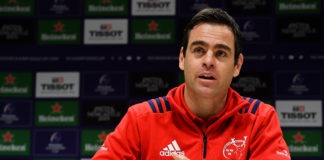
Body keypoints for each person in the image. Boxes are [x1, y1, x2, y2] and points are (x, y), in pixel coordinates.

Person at [91, 8, 291, 160]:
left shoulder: (259, 119)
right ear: (182, 58)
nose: (209, 61)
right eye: (199, 50)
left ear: (237, 65)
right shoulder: (141, 119)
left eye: (221, 53)